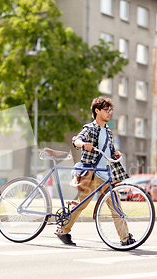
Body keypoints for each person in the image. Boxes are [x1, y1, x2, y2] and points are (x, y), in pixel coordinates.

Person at [56, 96, 131, 246]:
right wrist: (83, 144)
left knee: (116, 207)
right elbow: (76, 140)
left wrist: (115, 153)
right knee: (81, 204)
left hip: (106, 175)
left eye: (111, 110)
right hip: (92, 174)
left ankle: (126, 238)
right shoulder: (90, 128)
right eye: (106, 110)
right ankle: (63, 230)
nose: (110, 112)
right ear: (97, 111)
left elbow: (108, 150)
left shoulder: (108, 131)